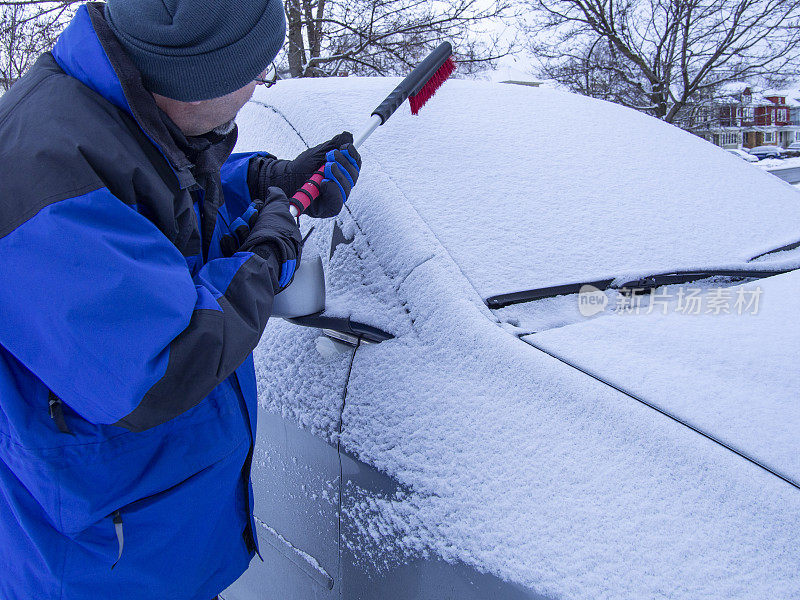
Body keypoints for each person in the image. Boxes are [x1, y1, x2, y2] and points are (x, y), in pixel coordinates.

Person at [0, 0, 361, 598]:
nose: (258, 85)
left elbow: (164, 200)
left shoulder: (112, 110)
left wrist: (267, 179)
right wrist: (268, 255)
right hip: (99, 565)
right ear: (193, 83)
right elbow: (164, 362)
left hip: (154, 537)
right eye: (249, 72)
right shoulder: (38, 171)